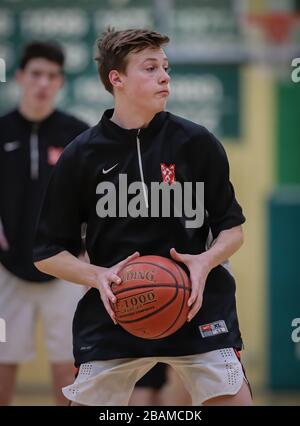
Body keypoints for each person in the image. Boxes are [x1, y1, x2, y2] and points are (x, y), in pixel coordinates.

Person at [33, 28, 253, 406]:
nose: (165, 76)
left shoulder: (197, 143)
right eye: (150, 68)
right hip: (117, 311)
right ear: (116, 78)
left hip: (196, 306)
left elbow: (232, 230)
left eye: (165, 67)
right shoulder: (81, 155)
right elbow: (46, 252)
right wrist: (96, 275)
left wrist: (205, 261)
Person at [0, 41, 89, 405]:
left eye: (52, 76)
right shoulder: (1, 130)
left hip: (64, 268)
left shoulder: (78, 134)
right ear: (20, 77)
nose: (43, 83)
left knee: (67, 365)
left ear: (60, 82)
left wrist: (86, 254)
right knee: (3, 360)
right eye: (36, 74)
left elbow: (95, 200)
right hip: (5, 271)